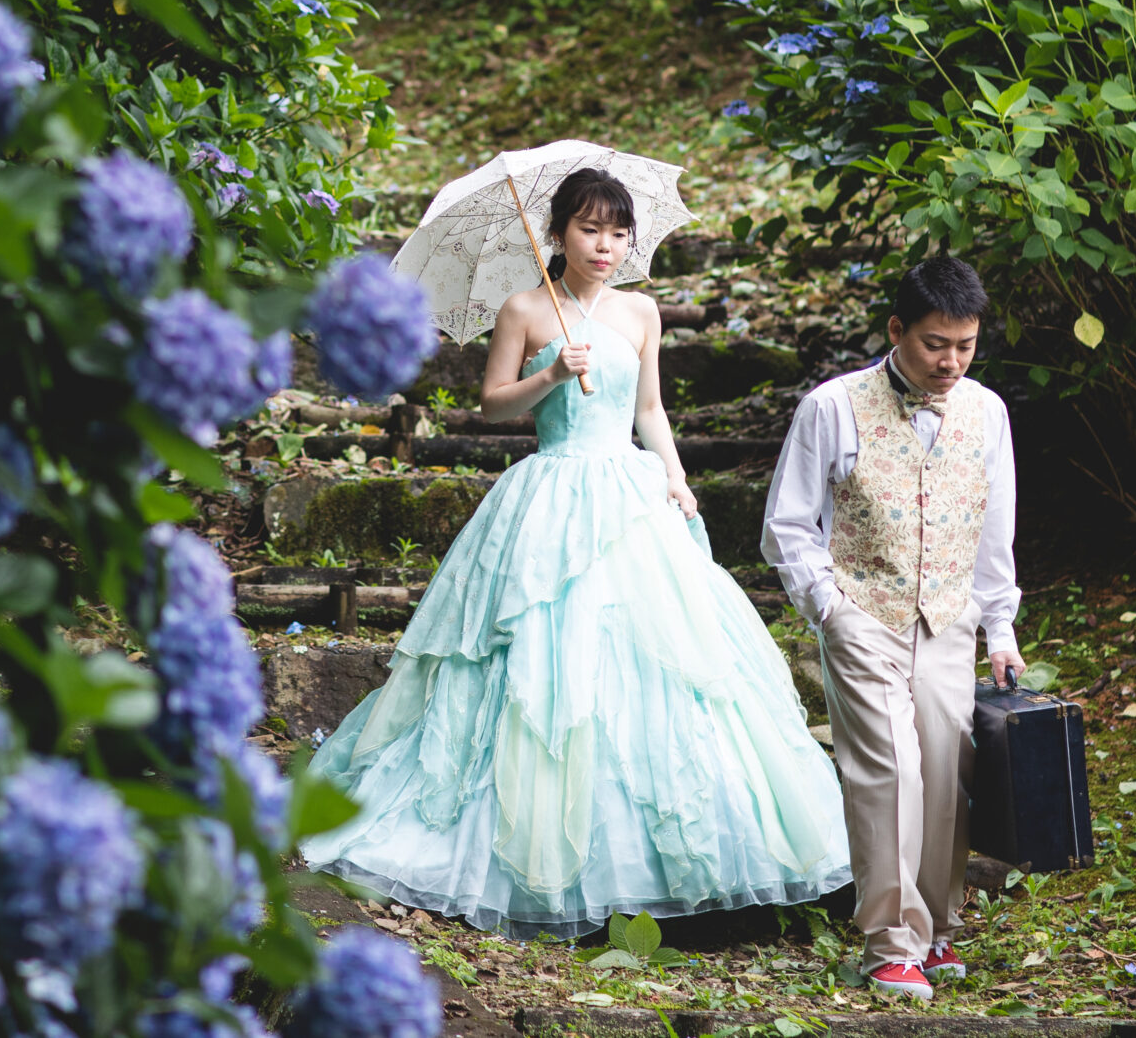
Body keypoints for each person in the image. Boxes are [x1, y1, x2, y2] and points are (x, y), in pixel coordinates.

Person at [302, 167, 850, 937]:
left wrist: (678, 478)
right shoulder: (525, 309)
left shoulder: (641, 311)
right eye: (591, 228)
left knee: (663, 662)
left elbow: (651, 409)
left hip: (629, 492)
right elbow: (491, 404)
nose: (606, 245)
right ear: (557, 232)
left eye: (618, 231)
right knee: (537, 661)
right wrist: (551, 372)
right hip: (550, 490)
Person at [759, 255, 1022, 1001]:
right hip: (862, 615)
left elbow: (992, 529)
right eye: (937, 343)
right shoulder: (832, 407)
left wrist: (998, 628)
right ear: (896, 330)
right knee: (890, 772)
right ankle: (888, 942)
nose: (951, 361)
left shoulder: (988, 411)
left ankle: (936, 926)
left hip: (948, 619)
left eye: (966, 345)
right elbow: (788, 525)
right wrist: (829, 609)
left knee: (946, 773)